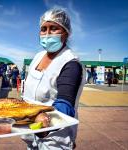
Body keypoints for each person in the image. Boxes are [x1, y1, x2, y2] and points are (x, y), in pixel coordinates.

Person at [22, 8, 86, 150]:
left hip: (54, 140)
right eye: (43, 29)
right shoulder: (38, 57)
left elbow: (65, 103)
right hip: (30, 133)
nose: (47, 34)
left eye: (54, 28)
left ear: (66, 33)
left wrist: (44, 123)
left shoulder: (70, 63)